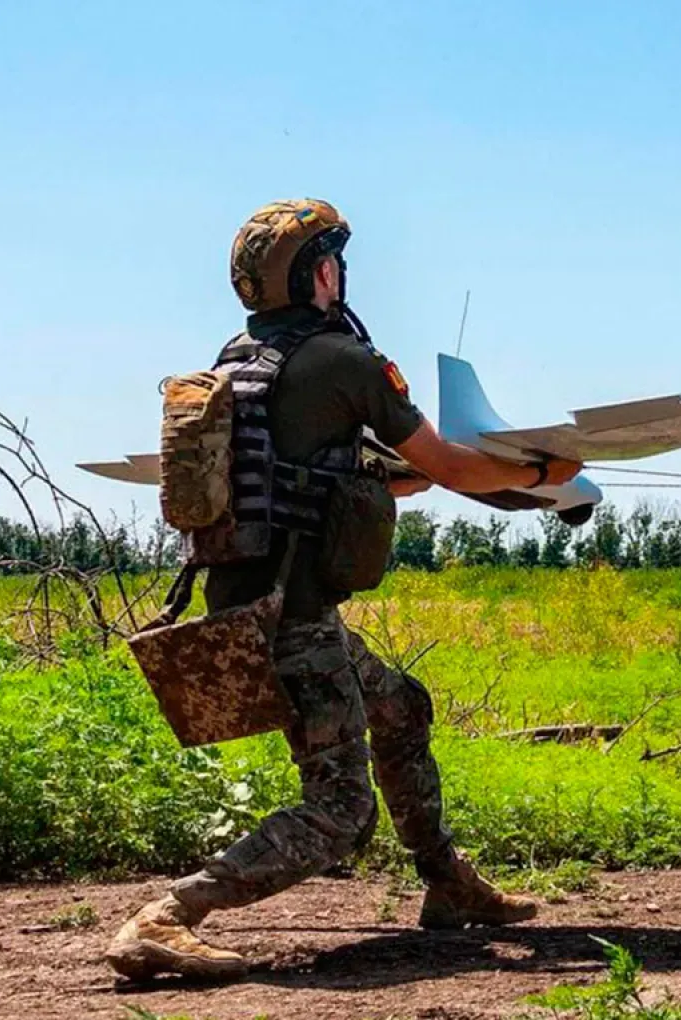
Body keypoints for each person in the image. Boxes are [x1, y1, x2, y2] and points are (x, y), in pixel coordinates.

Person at [106, 199, 583, 981]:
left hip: (245, 610)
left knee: (401, 704)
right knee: (340, 810)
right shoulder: (344, 362)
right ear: (320, 273)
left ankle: (446, 883)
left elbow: (315, 484)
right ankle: (168, 914)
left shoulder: (238, 362)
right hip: (294, 617)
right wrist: (541, 475)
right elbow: (451, 467)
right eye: (333, 262)